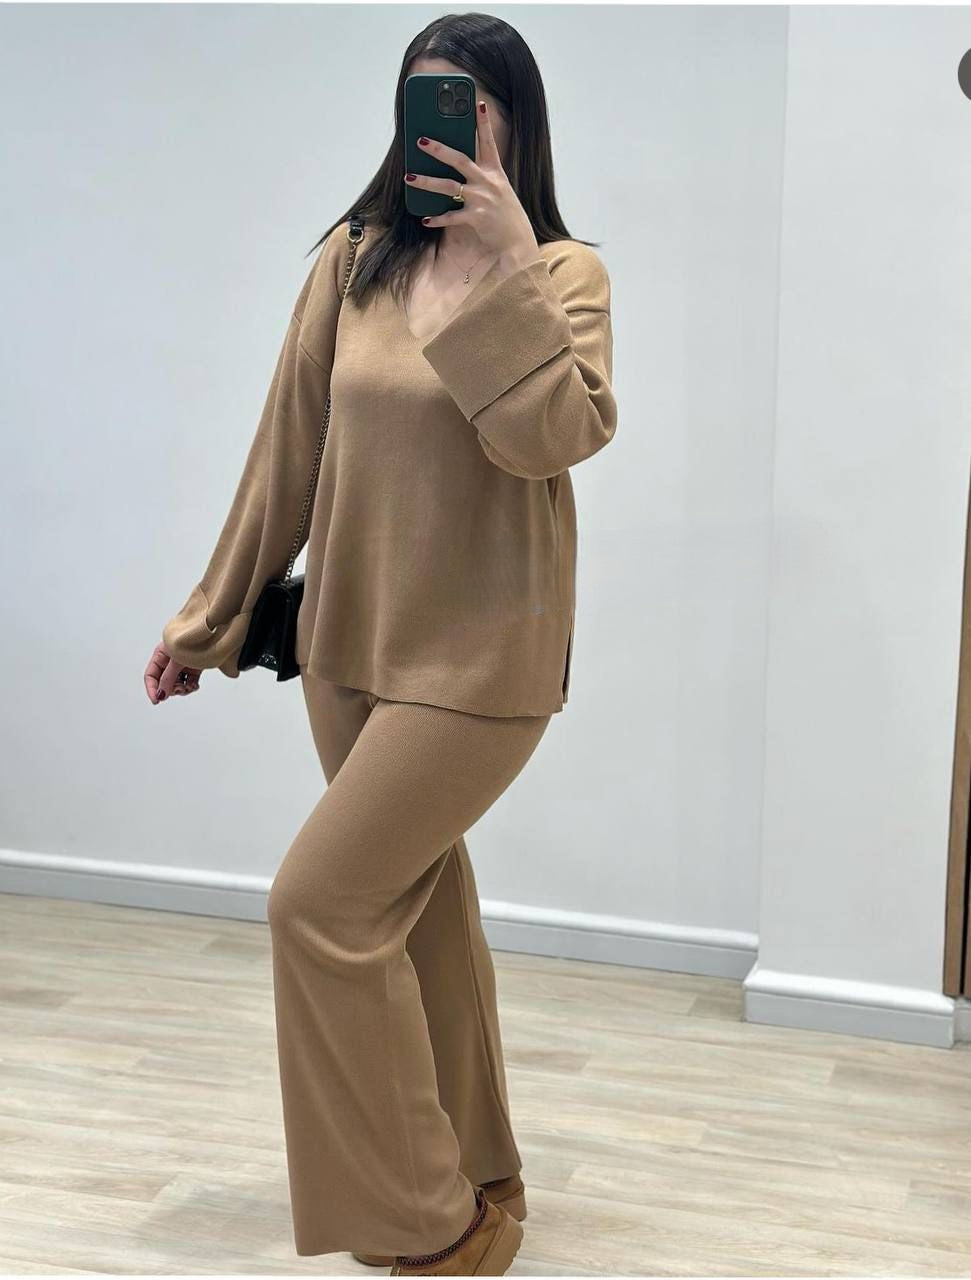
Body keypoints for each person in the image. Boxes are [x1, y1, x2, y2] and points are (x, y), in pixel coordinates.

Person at [144, 13, 617, 1276]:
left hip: (485, 658)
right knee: (420, 913)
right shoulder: (353, 263)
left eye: (470, 104)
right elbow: (286, 453)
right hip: (350, 648)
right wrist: (209, 619)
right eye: (423, 101)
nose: (445, 126)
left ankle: (434, 1226)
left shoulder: (563, 274)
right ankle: (482, 1166)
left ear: (511, 123)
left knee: (319, 904)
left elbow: (550, 439)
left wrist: (500, 268)